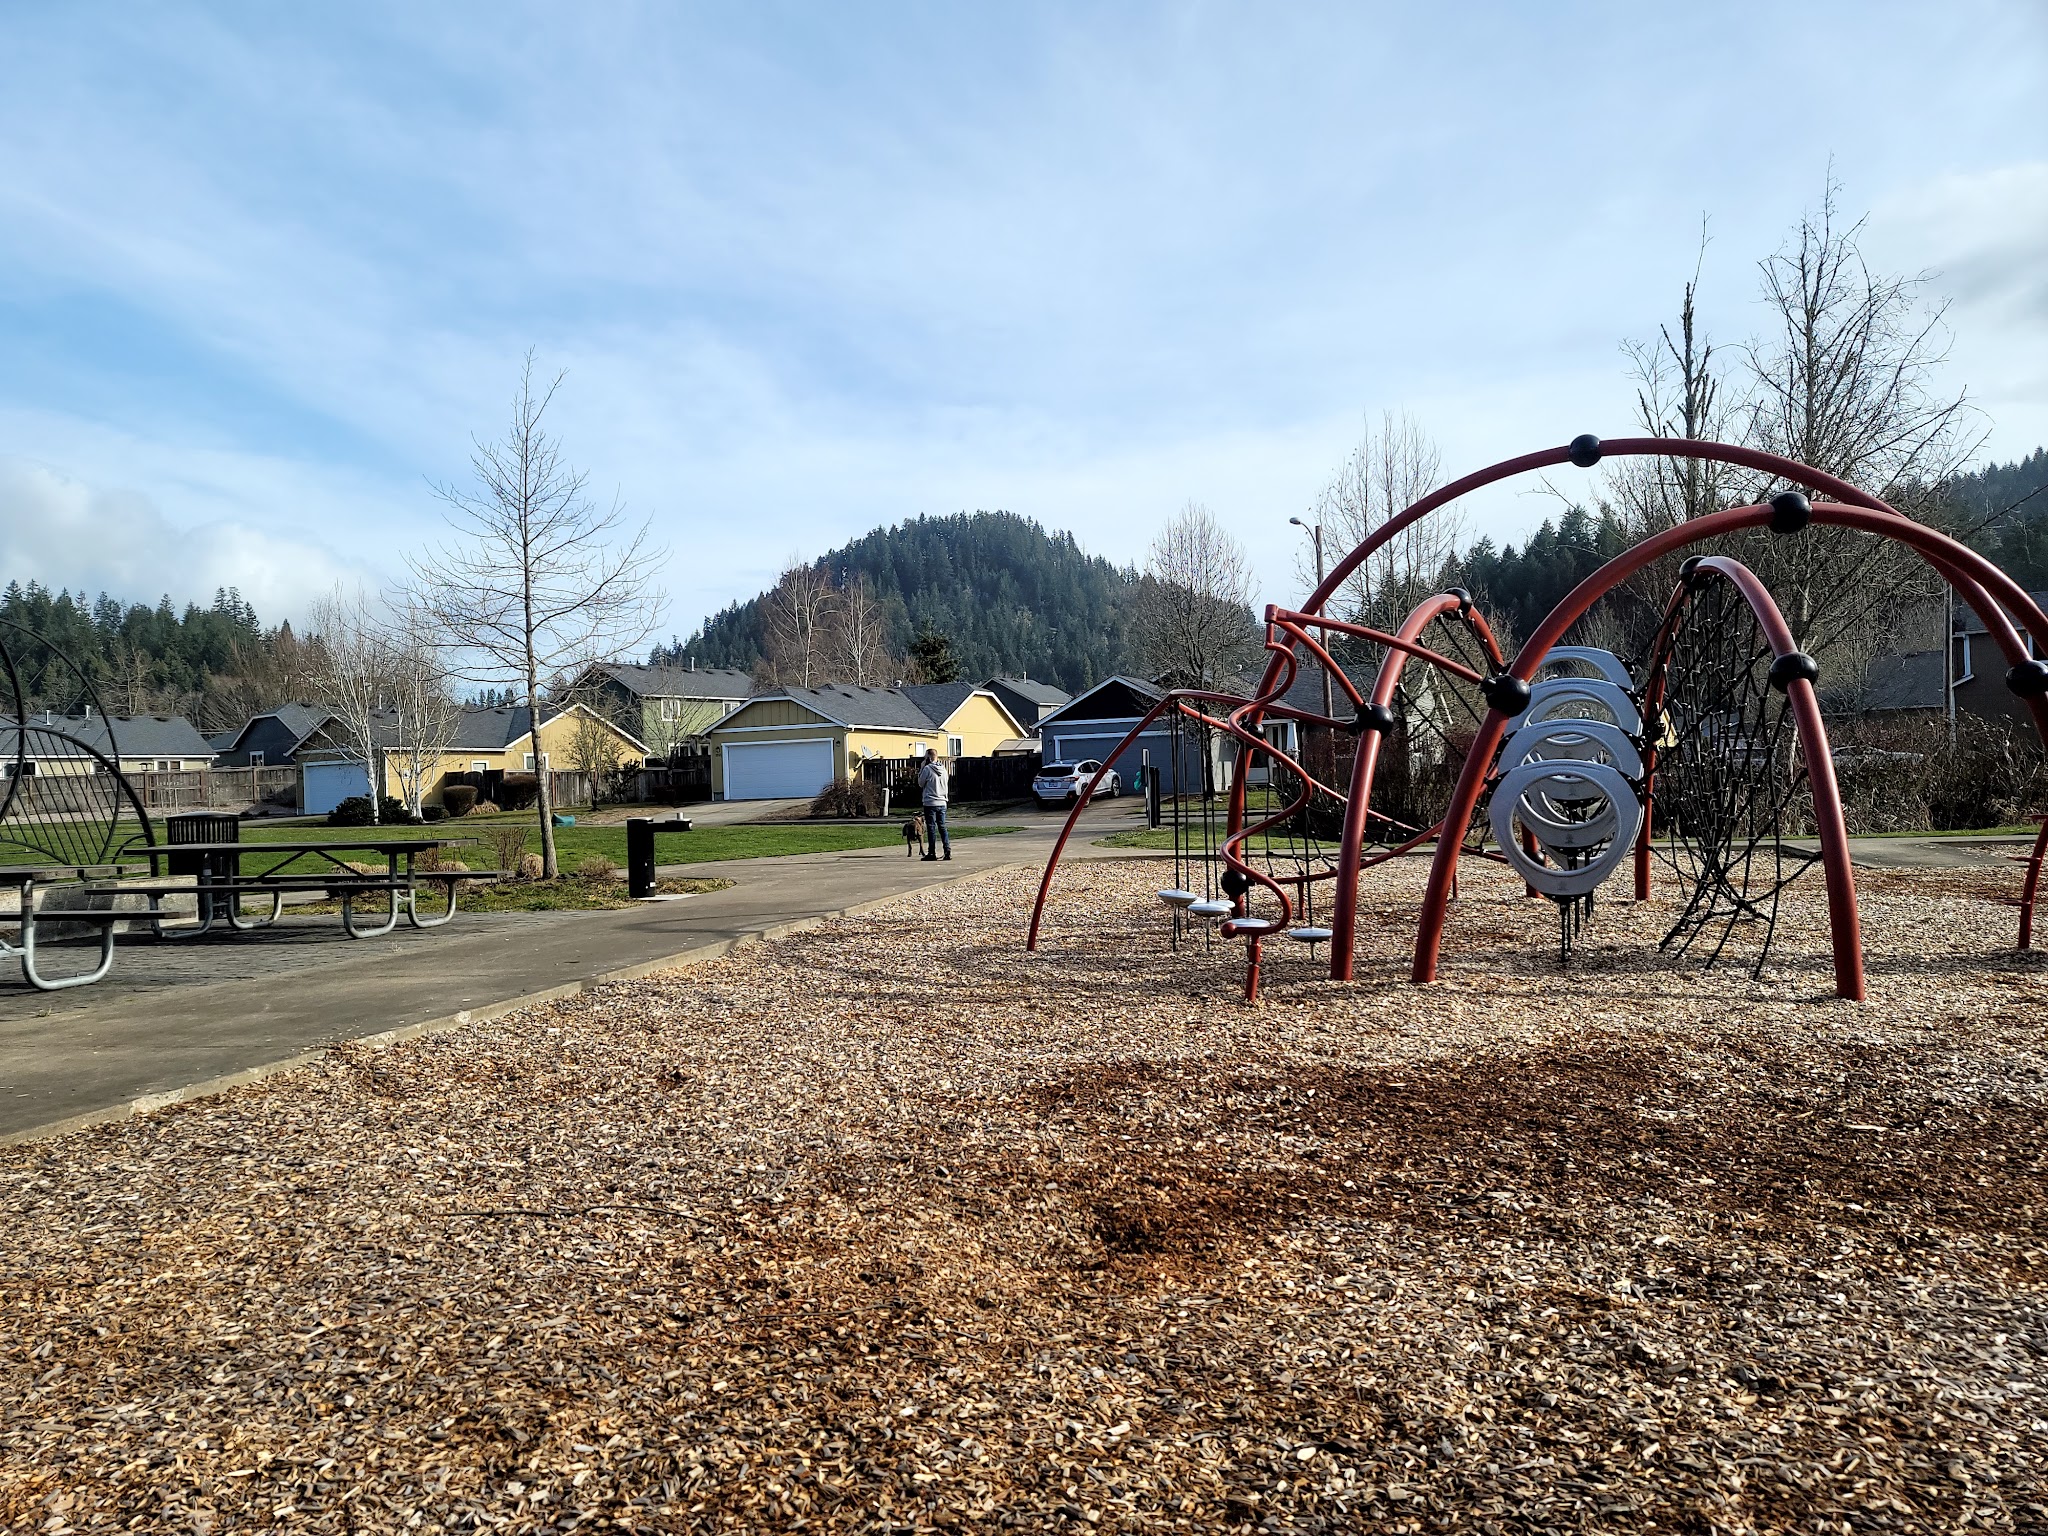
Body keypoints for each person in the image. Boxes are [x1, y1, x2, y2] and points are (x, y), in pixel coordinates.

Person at [917, 746, 951, 861]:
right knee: (942, 826)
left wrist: (921, 768)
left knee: (931, 827)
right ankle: (947, 851)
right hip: (942, 801)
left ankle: (932, 853)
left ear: (928, 758)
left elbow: (920, 783)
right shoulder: (944, 770)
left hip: (930, 802)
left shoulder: (927, 769)